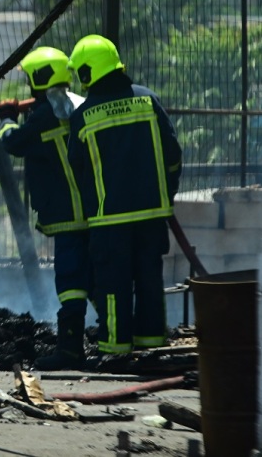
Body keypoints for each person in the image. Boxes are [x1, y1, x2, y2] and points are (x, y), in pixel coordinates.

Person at [66, 34, 182, 358]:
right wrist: (166, 194)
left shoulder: (83, 117)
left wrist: (92, 207)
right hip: (152, 214)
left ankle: (115, 351)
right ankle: (151, 349)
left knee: (113, 285)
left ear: (88, 72)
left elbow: (78, 170)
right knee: (149, 281)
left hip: (110, 219)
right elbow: (173, 153)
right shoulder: (148, 100)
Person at [0, 46, 91, 371]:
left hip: (66, 215)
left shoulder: (42, 117)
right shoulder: (77, 107)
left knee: (71, 284)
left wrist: (7, 118)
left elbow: (12, 142)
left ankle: (70, 351)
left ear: (38, 78)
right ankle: (109, 340)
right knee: (97, 279)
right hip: (94, 213)